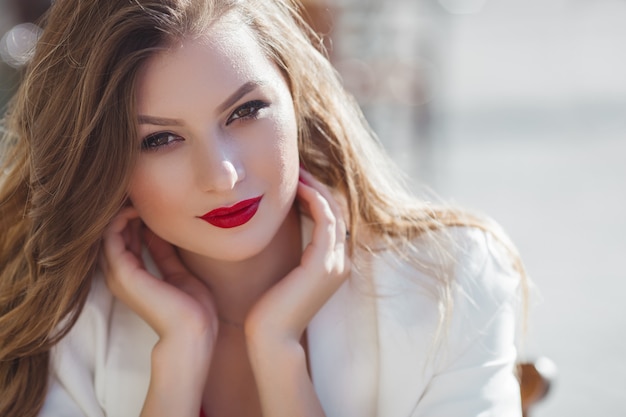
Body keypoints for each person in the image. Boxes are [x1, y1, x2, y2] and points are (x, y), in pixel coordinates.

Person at [0, 0, 529, 416]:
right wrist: (178, 362)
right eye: (160, 140)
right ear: (104, 161)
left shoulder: (449, 280)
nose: (223, 175)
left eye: (245, 111)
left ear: (295, 96)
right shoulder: (61, 312)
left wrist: (280, 357)